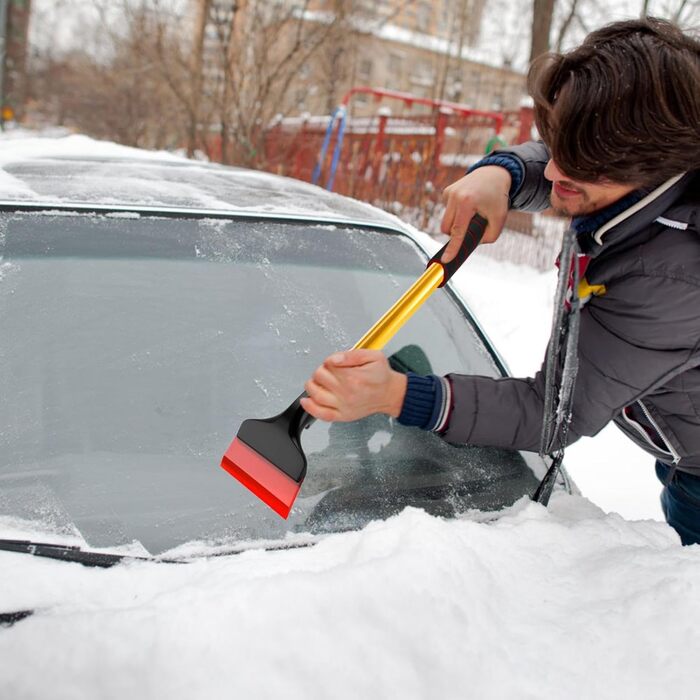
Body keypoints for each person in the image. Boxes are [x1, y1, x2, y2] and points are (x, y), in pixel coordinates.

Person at [300, 18, 700, 544]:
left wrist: (397, 394)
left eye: (582, 168)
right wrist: (504, 173)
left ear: (654, 166)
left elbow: (551, 414)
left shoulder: (668, 275)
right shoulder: (654, 166)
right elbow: (559, 161)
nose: (555, 173)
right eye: (557, 147)